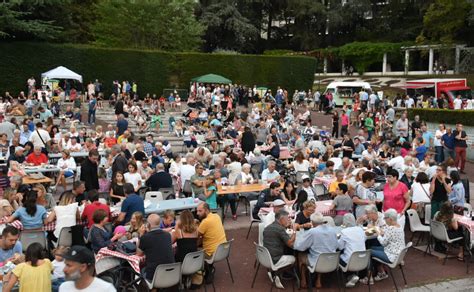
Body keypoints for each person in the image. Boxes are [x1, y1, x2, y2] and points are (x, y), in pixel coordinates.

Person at [294, 212, 338, 289]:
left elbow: (300, 247)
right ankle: (318, 280)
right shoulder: (333, 230)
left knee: (301, 255)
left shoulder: (313, 232)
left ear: (312, 222)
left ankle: (303, 281)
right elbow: (336, 245)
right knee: (322, 254)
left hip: (317, 261)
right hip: (332, 261)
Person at [364, 209, 405, 284]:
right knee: (372, 248)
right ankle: (381, 272)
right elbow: (387, 234)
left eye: (385, 218)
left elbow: (383, 243)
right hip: (396, 253)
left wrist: (378, 233)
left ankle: (369, 278)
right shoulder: (399, 226)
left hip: (391, 255)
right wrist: (379, 230)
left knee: (369, 251)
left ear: (390, 219)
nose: (384, 220)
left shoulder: (391, 228)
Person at [263, 209, 296, 289]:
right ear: (281, 219)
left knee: (286, 249)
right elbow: (290, 243)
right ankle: (281, 272)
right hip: (275, 259)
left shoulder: (268, 227)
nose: (289, 220)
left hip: (266, 257)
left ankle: (275, 272)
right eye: (287, 218)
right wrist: (294, 231)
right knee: (294, 258)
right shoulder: (280, 229)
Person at [137, 214, 175, 282]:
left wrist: (140, 236)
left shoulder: (145, 237)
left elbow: (138, 253)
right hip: (170, 272)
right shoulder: (168, 235)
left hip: (154, 275)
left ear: (148, 224)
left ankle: (151, 288)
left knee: (141, 270)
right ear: (160, 222)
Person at [338, 214, 366, 288]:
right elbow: (364, 239)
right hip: (364, 260)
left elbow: (340, 247)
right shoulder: (360, 229)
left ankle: (350, 276)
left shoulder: (344, 231)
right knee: (350, 253)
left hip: (350, 261)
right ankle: (353, 276)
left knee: (338, 257)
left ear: (344, 222)